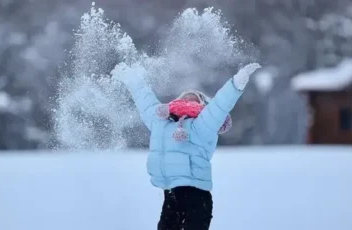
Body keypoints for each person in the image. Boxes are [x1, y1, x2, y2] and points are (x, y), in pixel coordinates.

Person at [111, 62, 261, 230]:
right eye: (185, 96)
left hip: (197, 198)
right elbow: (144, 100)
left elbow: (220, 105)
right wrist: (131, 78)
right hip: (170, 196)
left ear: (204, 106)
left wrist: (236, 84)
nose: (189, 98)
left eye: (195, 97)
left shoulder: (204, 124)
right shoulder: (160, 122)